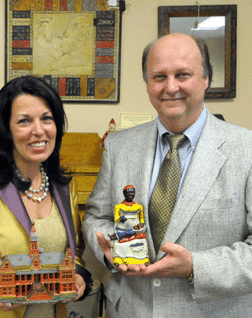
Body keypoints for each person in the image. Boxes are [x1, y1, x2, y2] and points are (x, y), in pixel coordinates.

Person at [83, 32, 252, 317]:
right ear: (148, 83)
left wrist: (196, 266)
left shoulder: (246, 149)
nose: (170, 87)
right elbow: (96, 217)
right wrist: (112, 248)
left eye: (183, 74)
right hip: (130, 309)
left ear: (206, 79)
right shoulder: (118, 146)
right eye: (159, 77)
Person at [0, 76, 92, 317]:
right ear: (5, 130)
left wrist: (77, 275)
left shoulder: (64, 187)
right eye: (24, 121)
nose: (39, 130)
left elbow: (73, 249)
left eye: (47, 118)